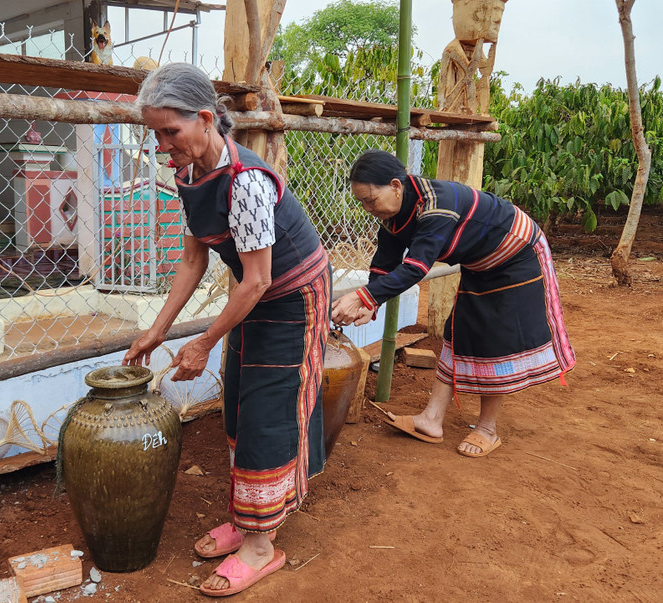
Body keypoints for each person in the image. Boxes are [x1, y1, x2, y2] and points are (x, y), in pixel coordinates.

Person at [122, 63, 330, 597]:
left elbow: (256, 278)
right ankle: (245, 521)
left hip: (291, 297)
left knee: (269, 409)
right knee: (237, 401)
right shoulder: (189, 174)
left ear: (207, 119)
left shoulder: (248, 182)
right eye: (156, 134)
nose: (164, 144)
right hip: (254, 295)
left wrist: (204, 341)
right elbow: (193, 261)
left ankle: (263, 545)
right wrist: (157, 331)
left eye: (171, 131)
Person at [332, 149, 575, 457]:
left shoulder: (436, 206)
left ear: (396, 186)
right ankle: (431, 420)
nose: (367, 208)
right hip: (480, 263)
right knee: (459, 331)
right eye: (361, 202)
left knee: (494, 339)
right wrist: (372, 302)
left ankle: (487, 428)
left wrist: (363, 297)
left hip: (516, 255)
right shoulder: (394, 213)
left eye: (371, 199)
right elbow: (386, 261)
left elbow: (416, 267)